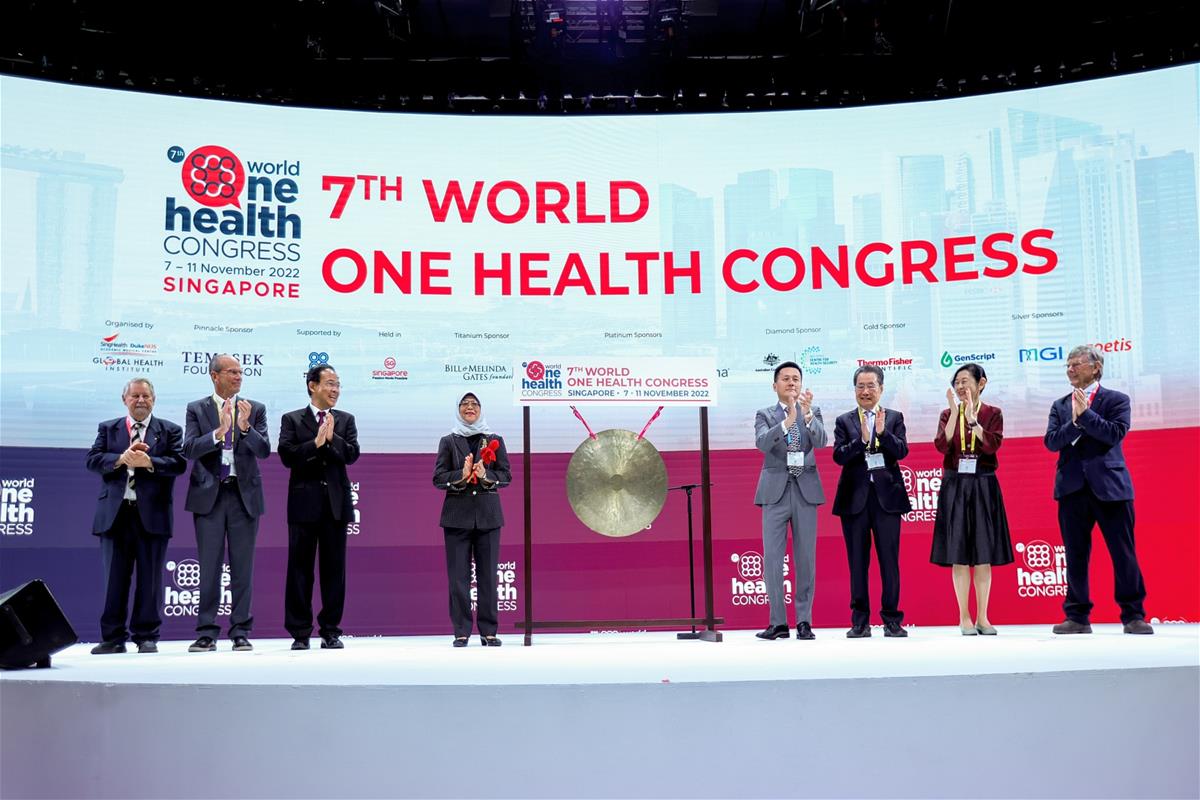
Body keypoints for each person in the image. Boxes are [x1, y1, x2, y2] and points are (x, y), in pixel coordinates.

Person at [1044, 345, 1152, 635]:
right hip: (1071, 488)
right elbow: (1052, 442)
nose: (1070, 369)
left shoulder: (1116, 400)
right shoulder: (1060, 405)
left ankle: (1133, 615)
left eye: (1076, 364)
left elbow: (1114, 433)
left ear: (1095, 367)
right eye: (1068, 365)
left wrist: (1087, 416)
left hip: (1111, 488)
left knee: (1123, 552)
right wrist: (1077, 421)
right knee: (1075, 554)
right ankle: (1077, 616)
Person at [85, 378, 186, 654]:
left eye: (146, 396)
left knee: (150, 580)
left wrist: (150, 462)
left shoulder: (170, 430)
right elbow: (92, 460)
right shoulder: (109, 429)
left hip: (152, 516)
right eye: (135, 396)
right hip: (115, 517)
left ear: (154, 399)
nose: (140, 400)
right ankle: (113, 638)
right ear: (124, 399)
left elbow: (179, 463)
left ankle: (146, 636)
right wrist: (121, 459)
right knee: (114, 580)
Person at [182, 354, 270, 652]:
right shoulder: (197, 409)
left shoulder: (254, 409)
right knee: (209, 567)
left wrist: (244, 427)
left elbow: (264, 450)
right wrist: (219, 432)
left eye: (240, 372)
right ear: (214, 376)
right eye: (231, 372)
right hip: (210, 495)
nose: (238, 377)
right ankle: (207, 632)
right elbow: (190, 449)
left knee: (242, 569)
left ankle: (240, 630)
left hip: (243, 496)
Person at [278, 364, 360, 650]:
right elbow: (287, 456)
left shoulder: (345, 420)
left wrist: (332, 437)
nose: (335, 390)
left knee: (334, 571)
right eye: (329, 384)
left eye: (338, 384)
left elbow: (351, 454)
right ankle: (300, 633)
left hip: (335, 506)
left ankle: (331, 630)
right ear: (312, 385)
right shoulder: (292, 419)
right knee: (299, 570)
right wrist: (316, 443)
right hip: (303, 505)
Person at [930, 363, 1013, 635]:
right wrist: (956, 414)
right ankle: (963, 616)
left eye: (965, 381)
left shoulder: (993, 413)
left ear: (982, 383)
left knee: (983, 555)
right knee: (959, 555)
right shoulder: (947, 414)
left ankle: (984, 617)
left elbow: (991, 446)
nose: (961, 386)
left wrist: (974, 422)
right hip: (955, 484)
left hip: (983, 484)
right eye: (957, 382)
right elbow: (942, 446)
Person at [831, 365, 912, 638]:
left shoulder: (894, 418)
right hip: (854, 500)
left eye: (871, 386)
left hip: (887, 499)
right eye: (860, 386)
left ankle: (891, 619)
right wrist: (862, 440)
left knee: (890, 561)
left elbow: (901, 450)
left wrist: (883, 434)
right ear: (854, 390)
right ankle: (859, 621)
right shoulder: (844, 421)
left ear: (881, 389)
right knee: (857, 562)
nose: (865, 391)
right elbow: (839, 456)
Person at [753, 361, 827, 640]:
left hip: (805, 490)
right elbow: (762, 443)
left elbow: (821, 442)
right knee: (772, 559)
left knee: (806, 559)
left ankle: (804, 621)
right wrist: (787, 421)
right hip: (774, 492)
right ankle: (778, 623)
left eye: (796, 378)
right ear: (775, 385)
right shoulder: (765, 414)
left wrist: (806, 416)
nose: (792, 383)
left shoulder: (813, 411)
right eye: (786, 379)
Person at [432, 393, 511, 647]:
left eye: (474, 404)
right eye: (464, 404)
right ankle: (461, 631)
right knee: (458, 578)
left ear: (481, 409)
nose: (469, 408)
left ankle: (489, 631)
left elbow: (506, 476)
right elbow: (438, 478)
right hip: (456, 517)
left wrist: (486, 474)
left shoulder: (495, 439)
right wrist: (461, 474)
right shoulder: (448, 441)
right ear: (458, 410)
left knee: (488, 576)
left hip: (488, 516)